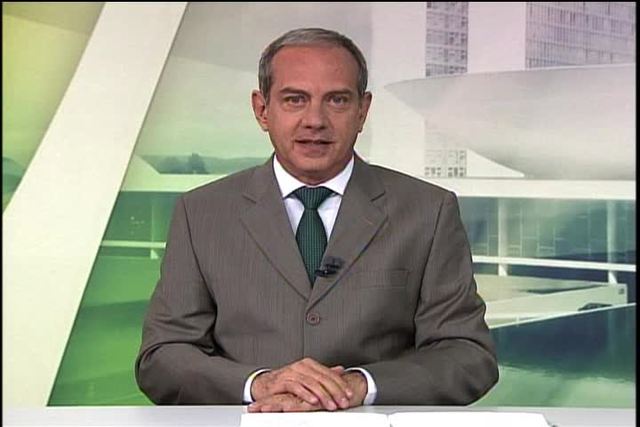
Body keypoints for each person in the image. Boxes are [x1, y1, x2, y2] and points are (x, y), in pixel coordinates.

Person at [135, 27, 498, 412]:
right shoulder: (202, 213)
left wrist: (360, 386)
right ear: (262, 110)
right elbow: (162, 357)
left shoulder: (428, 211)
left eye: (337, 100)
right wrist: (260, 384)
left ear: (363, 110)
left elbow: (467, 355)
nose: (315, 120)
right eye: (295, 100)